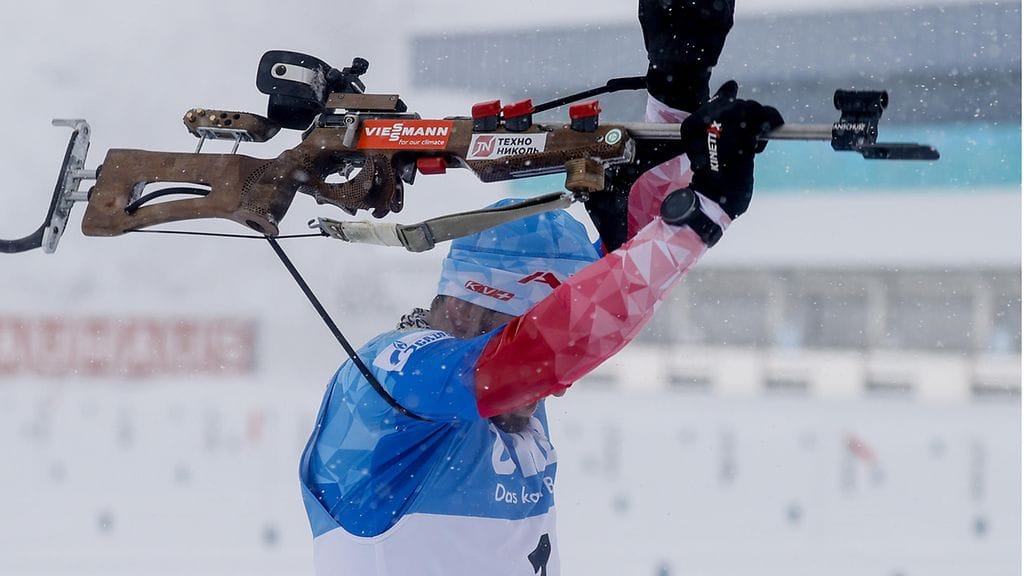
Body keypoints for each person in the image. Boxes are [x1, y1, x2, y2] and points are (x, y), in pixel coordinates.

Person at [299, 1, 783, 574]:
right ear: (462, 305)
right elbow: (551, 343)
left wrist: (677, 89)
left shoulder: (499, 396)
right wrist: (701, 216)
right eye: (519, 326)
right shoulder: (392, 377)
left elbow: (612, 287)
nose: (554, 388)